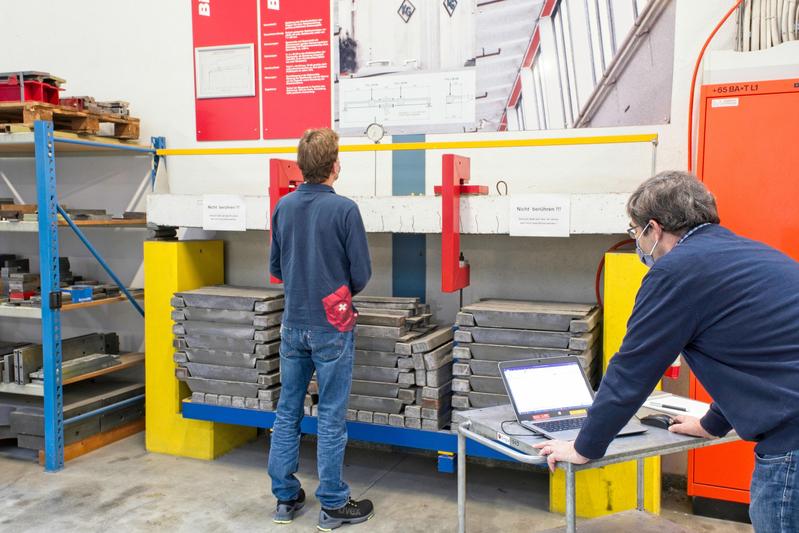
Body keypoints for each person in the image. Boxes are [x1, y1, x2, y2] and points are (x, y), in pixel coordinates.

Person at [534, 171, 799, 532]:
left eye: (635, 232)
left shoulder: (675, 272)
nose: (637, 243)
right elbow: (755, 358)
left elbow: (632, 371)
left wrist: (584, 447)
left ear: (653, 229)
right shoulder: (750, 254)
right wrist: (712, 424)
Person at [267, 127, 374, 531]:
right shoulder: (345, 209)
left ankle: (285, 498)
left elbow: (277, 268)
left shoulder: (284, 207)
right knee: (330, 416)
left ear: (301, 166)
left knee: (287, 410)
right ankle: (332, 504)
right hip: (333, 325)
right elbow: (361, 274)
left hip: (293, 323)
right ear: (335, 166)